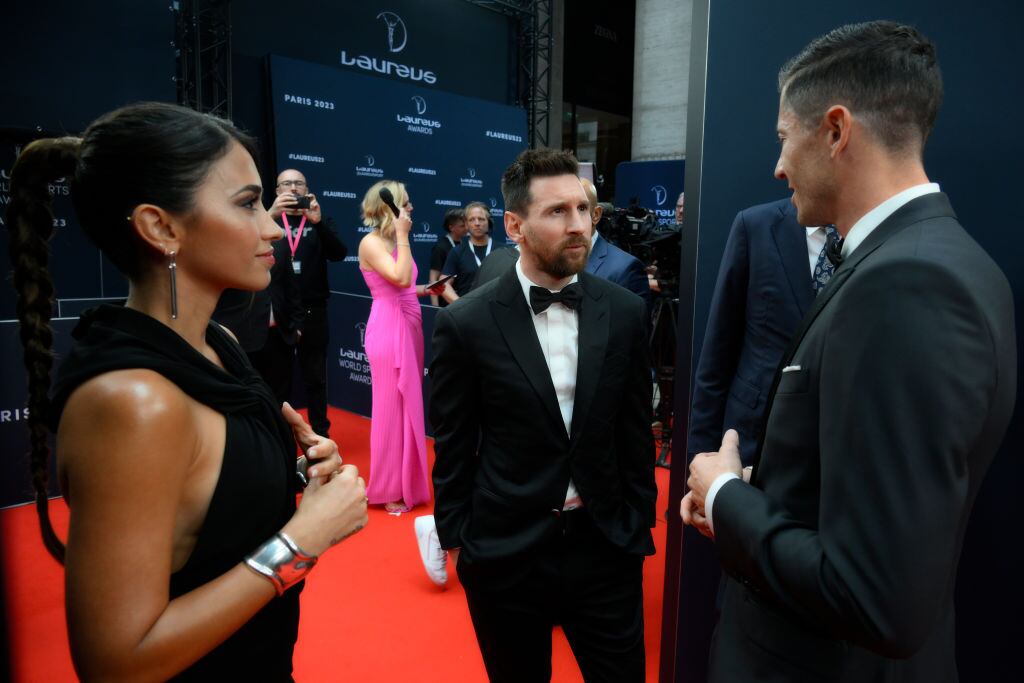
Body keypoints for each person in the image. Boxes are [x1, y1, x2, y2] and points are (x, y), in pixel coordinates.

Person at [681, 21, 1016, 682]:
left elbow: (875, 592)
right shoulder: (949, 261)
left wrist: (724, 495)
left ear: (835, 130)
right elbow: (875, 503)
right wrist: (766, 485)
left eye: (784, 138)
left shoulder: (906, 284)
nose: (777, 167)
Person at [5, 102, 368, 681]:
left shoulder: (216, 341)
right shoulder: (134, 402)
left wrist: (297, 468)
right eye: (248, 204)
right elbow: (116, 664)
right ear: (161, 228)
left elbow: (208, 512)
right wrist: (301, 541)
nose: (273, 226)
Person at [430, 148, 657, 682]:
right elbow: (454, 444)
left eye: (583, 210)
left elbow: (634, 432)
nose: (578, 225)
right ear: (515, 224)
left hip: (605, 549)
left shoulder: (623, 311)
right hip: (507, 554)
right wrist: (461, 542)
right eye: (557, 212)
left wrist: (636, 522)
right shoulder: (466, 324)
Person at [688, 198, 818, 466]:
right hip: (752, 441)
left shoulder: (876, 234)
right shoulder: (757, 226)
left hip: (837, 449)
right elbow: (717, 352)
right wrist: (700, 456)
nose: (780, 169)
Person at [358, 180, 442, 514]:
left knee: (409, 405)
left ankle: (408, 482)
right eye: (405, 204)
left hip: (409, 322)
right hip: (389, 328)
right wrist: (405, 236)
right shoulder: (371, 242)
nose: (411, 209)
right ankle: (388, 487)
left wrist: (428, 289)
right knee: (391, 409)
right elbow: (398, 277)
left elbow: (406, 285)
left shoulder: (394, 240)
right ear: (388, 208)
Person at [270, 168, 348, 437]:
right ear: (277, 190)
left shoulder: (319, 220)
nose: (293, 189)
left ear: (307, 189)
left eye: (299, 184)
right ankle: (277, 437)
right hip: (277, 312)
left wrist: (317, 222)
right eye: (287, 184)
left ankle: (320, 436)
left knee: (316, 378)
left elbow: (339, 254)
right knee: (277, 379)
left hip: (314, 308)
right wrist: (268, 215)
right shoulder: (268, 221)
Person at [213, 230, 304, 405]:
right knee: (249, 396)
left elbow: (291, 287)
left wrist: (297, 326)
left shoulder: (280, 244)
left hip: (281, 335)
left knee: (282, 399)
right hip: (244, 336)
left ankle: (281, 432)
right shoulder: (233, 244)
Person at [580, 177, 651, 307]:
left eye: (581, 209)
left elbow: (633, 326)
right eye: (559, 210)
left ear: (596, 215)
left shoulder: (625, 269)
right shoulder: (547, 260)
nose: (570, 219)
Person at [441, 200, 501, 300]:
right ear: (466, 224)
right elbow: (444, 284)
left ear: (489, 222)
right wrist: (461, 306)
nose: (477, 223)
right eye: (472, 219)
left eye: (481, 219)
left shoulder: (503, 250)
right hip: (467, 313)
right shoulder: (457, 252)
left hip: (497, 311)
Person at [428, 208, 466, 306]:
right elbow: (433, 280)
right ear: (451, 227)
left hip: (464, 300)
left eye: (466, 224)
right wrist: (435, 308)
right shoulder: (440, 248)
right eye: (462, 226)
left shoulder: (466, 245)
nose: (466, 228)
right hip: (446, 303)